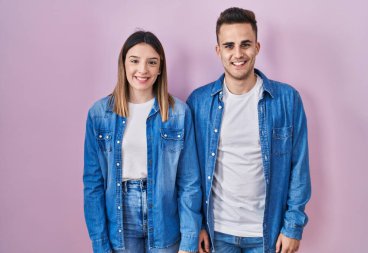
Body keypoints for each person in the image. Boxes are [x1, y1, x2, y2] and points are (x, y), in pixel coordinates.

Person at [187, 7, 311, 253]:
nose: (238, 53)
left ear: (257, 47)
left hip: (269, 234)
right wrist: (196, 225)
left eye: (245, 44)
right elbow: (190, 174)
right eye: (229, 45)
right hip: (217, 233)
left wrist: (293, 226)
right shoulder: (199, 103)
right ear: (218, 50)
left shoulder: (287, 99)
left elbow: (299, 166)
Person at [83, 31, 202, 253]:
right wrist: (99, 244)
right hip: (120, 219)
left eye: (152, 62)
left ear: (160, 68)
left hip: (165, 219)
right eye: (135, 61)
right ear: (123, 64)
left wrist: (188, 241)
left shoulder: (179, 113)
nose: (143, 70)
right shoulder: (99, 114)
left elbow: (189, 183)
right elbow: (93, 185)